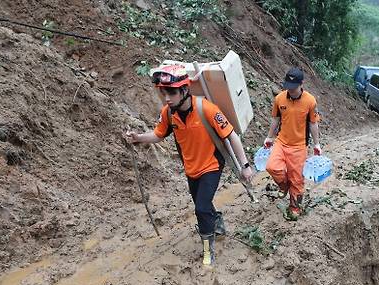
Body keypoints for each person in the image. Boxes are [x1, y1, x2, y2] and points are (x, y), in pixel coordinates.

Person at [124, 64, 253, 266]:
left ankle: (207, 250)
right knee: (203, 205)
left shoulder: (207, 109)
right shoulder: (168, 113)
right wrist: (138, 137)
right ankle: (216, 220)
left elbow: (232, 136)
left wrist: (245, 166)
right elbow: (158, 135)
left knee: (201, 209)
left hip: (211, 164)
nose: (167, 97)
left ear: (184, 90)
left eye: (172, 92)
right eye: (164, 92)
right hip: (191, 168)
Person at [263, 67, 321, 221]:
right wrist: (269, 138)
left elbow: (314, 124)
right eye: (288, 86)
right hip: (281, 142)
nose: (290, 90)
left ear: (301, 84)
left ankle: (295, 206)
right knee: (272, 167)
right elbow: (275, 119)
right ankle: (283, 186)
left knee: (297, 179)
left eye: (293, 87)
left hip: (299, 146)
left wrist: (317, 144)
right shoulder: (280, 99)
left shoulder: (310, 101)